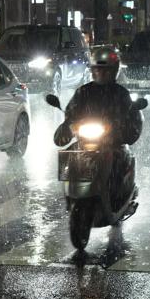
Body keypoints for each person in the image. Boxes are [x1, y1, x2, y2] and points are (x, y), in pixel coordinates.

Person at [53, 46, 143, 209]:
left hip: (111, 142)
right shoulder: (83, 92)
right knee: (70, 155)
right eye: (98, 70)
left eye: (106, 71)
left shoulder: (121, 93)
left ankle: (118, 198)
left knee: (119, 159)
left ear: (113, 71)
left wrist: (123, 127)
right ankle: (70, 194)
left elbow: (132, 118)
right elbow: (71, 112)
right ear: (93, 71)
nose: (101, 74)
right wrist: (68, 125)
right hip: (86, 139)